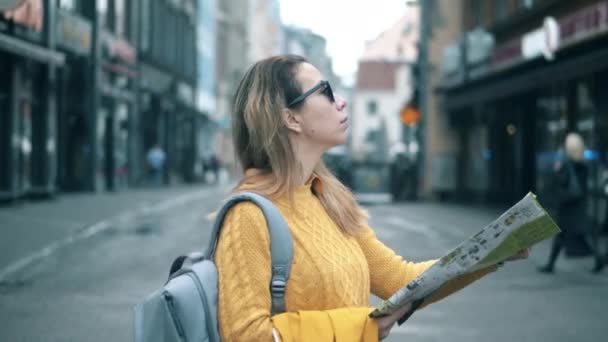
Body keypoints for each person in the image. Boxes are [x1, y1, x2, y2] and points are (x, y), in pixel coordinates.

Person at [214, 55, 530, 341]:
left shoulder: (326, 199)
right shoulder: (248, 215)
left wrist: (491, 251)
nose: (341, 102)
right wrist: (360, 327)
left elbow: (400, 281)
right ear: (291, 119)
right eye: (324, 92)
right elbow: (245, 335)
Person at [538, 132, 604, 274]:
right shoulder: (584, 164)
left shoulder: (566, 164)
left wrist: (557, 169)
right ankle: (551, 264)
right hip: (578, 205)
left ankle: (599, 259)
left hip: (568, 206)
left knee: (573, 233)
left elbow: (560, 182)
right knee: (574, 233)